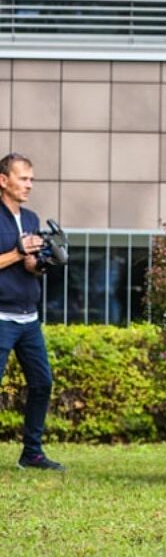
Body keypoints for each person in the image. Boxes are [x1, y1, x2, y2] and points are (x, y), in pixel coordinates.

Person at [0, 153, 62, 471]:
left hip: (28, 318)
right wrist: (17, 251)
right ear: (3, 180)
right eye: (23, 178)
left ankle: (32, 453)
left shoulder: (31, 218)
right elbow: (14, 256)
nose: (29, 185)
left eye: (31, 179)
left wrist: (44, 262)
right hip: (1, 318)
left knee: (42, 383)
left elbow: (29, 265)